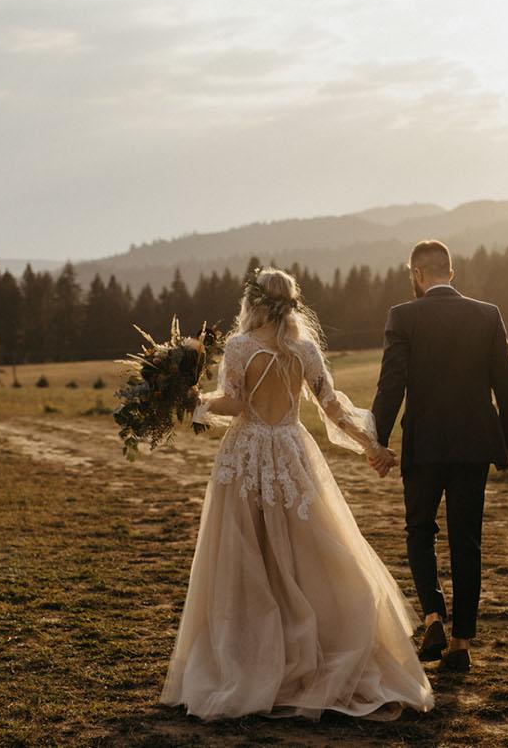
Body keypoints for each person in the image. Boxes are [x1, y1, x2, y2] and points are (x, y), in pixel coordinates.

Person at [159, 267, 434, 721]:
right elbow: (333, 407)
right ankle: (311, 646)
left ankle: (251, 658)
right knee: (308, 553)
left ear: (254, 302)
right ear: (291, 302)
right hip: (289, 451)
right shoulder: (304, 350)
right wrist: (373, 447)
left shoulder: (239, 346)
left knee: (248, 556)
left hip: (246, 456)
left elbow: (234, 402)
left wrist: (192, 401)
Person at [370, 239, 508, 673]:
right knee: (466, 540)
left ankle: (434, 615)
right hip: (474, 445)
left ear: (417, 275)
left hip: (424, 445)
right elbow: (507, 387)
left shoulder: (403, 316)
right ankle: (460, 644)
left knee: (419, 530)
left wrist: (378, 441)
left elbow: (391, 386)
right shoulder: (487, 315)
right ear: (450, 273)